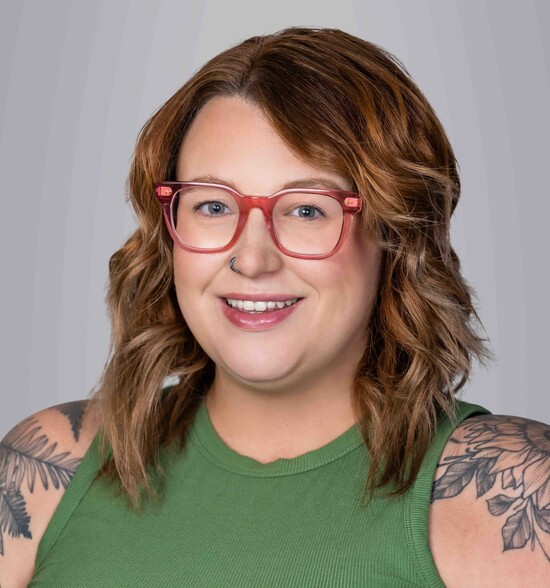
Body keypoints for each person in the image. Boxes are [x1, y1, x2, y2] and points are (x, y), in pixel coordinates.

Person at [1, 26, 548, 587]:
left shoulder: (512, 493)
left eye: (307, 210)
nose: (252, 258)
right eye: (213, 205)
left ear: (395, 235)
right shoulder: (46, 472)